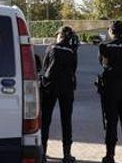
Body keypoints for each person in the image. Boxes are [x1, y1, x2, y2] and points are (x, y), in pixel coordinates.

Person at [96, 20, 122, 163]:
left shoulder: (105, 46)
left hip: (111, 88)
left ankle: (110, 155)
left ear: (111, 31)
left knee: (111, 122)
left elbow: (103, 63)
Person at [40, 25, 79, 163]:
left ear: (60, 36)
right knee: (66, 120)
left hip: (50, 86)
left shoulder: (51, 47)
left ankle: (42, 152)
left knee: (45, 119)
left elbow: (45, 67)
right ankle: (67, 154)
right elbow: (74, 69)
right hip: (66, 87)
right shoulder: (72, 51)